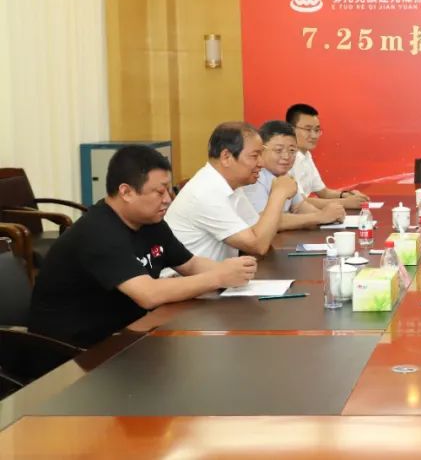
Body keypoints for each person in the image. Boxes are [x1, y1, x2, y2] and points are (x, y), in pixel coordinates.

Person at [28, 146, 257, 349]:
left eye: (169, 190)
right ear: (126, 192)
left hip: (127, 334)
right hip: (74, 352)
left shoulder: (150, 222)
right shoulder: (98, 232)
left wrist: (235, 272)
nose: (168, 199)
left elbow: (191, 264)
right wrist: (218, 277)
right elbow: (148, 294)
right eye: (159, 192)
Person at [165, 122, 296, 261]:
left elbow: (258, 230)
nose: (261, 163)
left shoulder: (231, 186)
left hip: (218, 272)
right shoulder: (207, 192)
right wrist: (278, 194)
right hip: (188, 275)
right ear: (226, 157)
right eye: (254, 156)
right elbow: (258, 245)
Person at [243, 120, 347, 230]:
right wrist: (319, 217)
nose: (286, 156)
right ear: (261, 150)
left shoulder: (286, 175)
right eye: (278, 150)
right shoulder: (253, 177)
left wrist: (330, 215)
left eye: (292, 150)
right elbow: (265, 222)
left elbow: (300, 206)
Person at [287, 103, 370, 206]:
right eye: (308, 129)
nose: (314, 135)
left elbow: (323, 192)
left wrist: (347, 195)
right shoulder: (287, 159)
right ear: (291, 129)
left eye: (317, 130)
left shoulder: (306, 155)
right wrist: (345, 203)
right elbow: (300, 201)